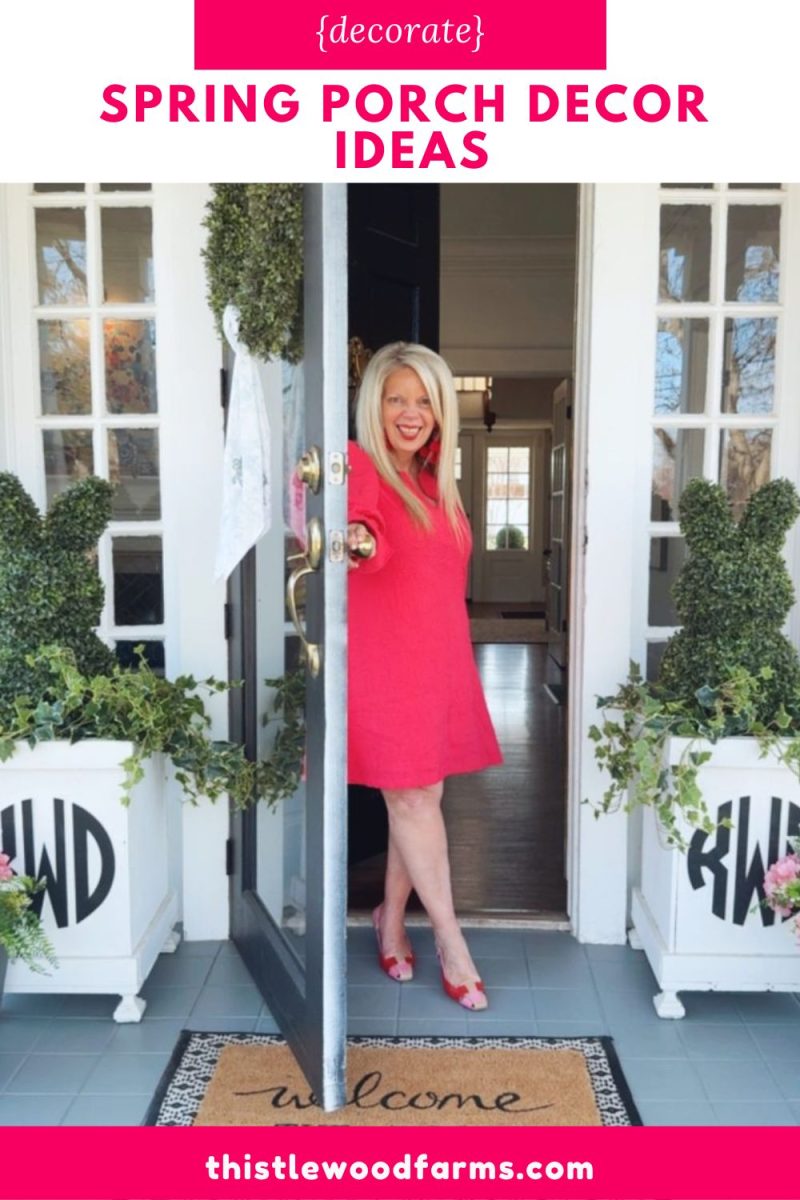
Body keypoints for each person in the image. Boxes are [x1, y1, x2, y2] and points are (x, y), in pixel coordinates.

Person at [346, 341, 503, 1011]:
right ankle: (449, 940)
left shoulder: (438, 483)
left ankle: (389, 917)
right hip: (384, 670)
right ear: (373, 406)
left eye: (424, 400)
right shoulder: (359, 467)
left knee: (420, 800)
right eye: (396, 399)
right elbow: (360, 533)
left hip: (436, 663)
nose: (411, 413)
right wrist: (353, 538)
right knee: (411, 801)